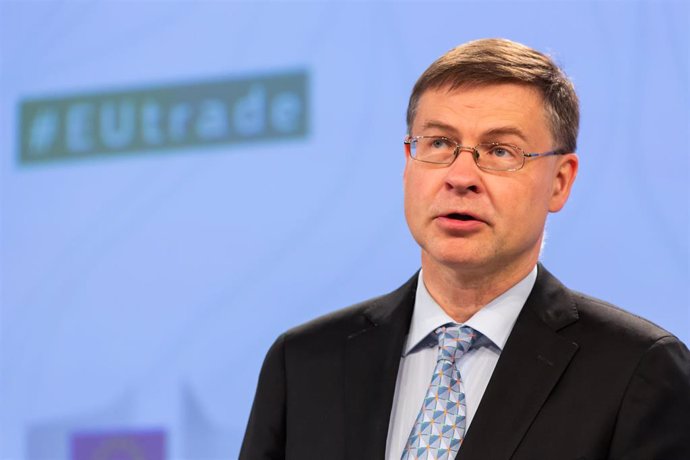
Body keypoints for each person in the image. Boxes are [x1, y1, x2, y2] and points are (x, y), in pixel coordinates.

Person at [239, 38, 690, 460]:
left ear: (560, 181)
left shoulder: (637, 369)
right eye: (438, 144)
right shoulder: (303, 362)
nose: (460, 176)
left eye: (499, 151)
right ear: (407, 164)